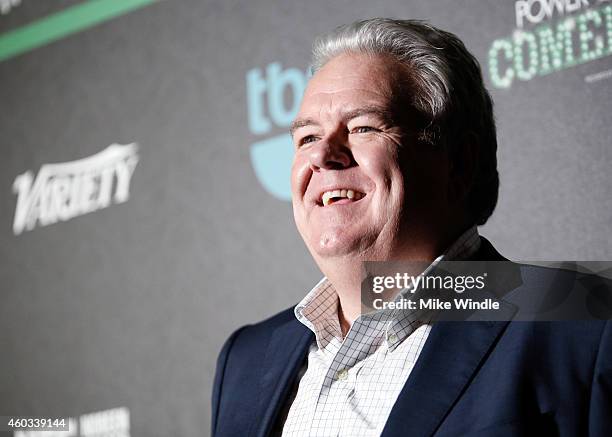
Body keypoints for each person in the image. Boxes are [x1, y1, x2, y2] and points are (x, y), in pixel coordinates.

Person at [211, 18, 611, 436]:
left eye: (363, 127)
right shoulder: (247, 358)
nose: (324, 156)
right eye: (307, 137)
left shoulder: (586, 326)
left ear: (459, 162)